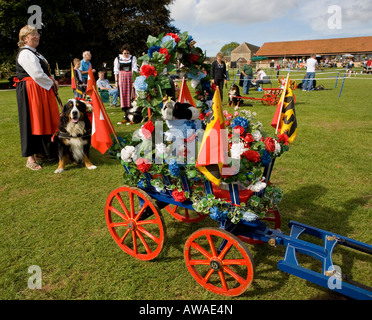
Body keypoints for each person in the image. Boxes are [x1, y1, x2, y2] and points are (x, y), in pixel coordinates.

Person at [15, 25, 60, 171]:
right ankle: (30, 158)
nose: (36, 36)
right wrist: (52, 82)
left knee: (42, 120)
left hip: (39, 89)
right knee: (30, 121)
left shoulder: (35, 53)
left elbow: (44, 71)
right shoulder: (25, 54)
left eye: (37, 33)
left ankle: (43, 152)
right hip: (30, 91)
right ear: (24, 39)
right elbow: (37, 74)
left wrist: (52, 81)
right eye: (32, 34)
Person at [113, 44, 138, 110]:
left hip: (130, 75)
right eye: (125, 53)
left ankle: (131, 104)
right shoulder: (118, 58)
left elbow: (134, 69)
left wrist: (134, 80)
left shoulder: (132, 58)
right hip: (122, 75)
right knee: (122, 90)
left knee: (131, 90)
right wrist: (116, 81)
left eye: (127, 53)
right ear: (122, 52)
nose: (126, 54)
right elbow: (116, 70)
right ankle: (124, 106)